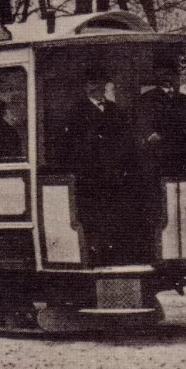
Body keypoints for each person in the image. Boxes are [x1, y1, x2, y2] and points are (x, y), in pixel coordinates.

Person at [62, 67, 143, 265]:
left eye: (100, 83)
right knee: (93, 217)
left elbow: (127, 141)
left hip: (115, 175)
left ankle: (114, 254)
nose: (96, 87)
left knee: (115, 216)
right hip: (90, 178)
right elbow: (70, 147)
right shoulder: (76, 113)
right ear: (86, 88)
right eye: (92, 84)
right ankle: (95, 255)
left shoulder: (115, 111)